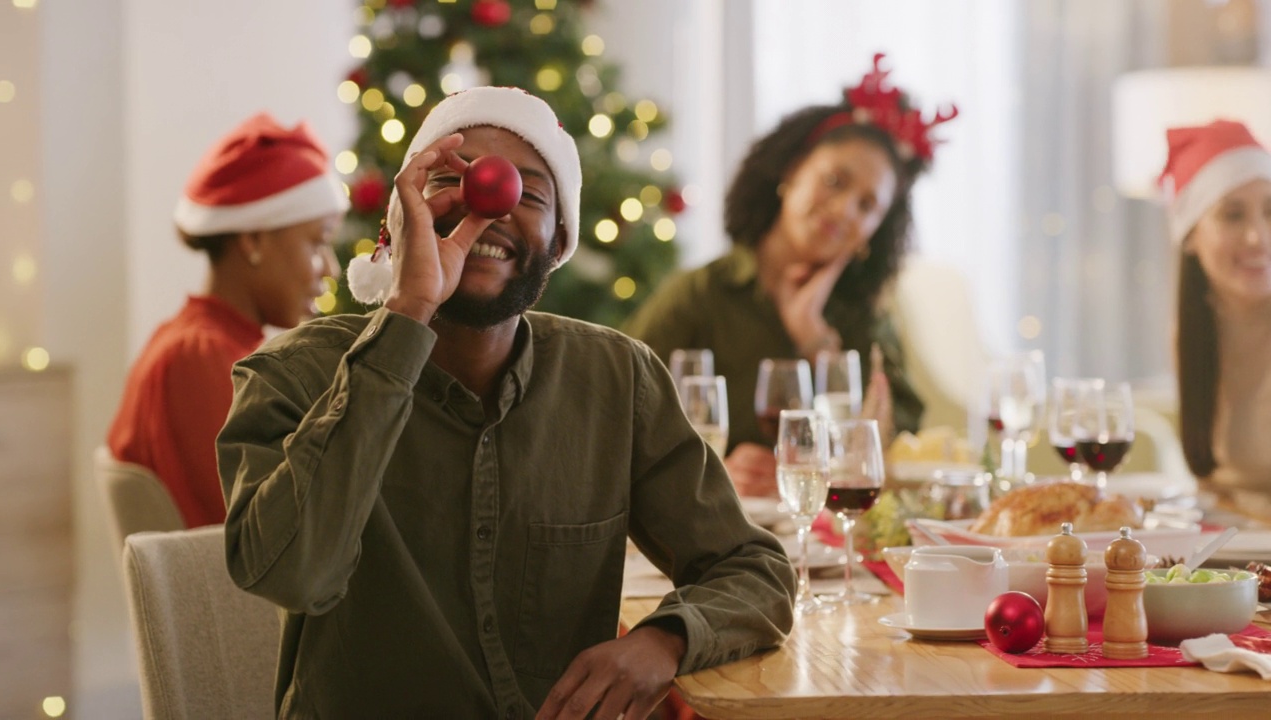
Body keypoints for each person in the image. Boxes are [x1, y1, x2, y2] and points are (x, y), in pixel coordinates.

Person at [216, 86, 795, 719]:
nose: (486, 204)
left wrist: (664, 640)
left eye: (528, 192)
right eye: (449, 181)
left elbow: (754, 568)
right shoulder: (291, 376)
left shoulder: (615, 379)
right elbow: (293, 573)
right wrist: (409, 312)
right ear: (402, 215)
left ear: (559, 236)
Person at [623, 54, 953, 496]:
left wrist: (817, 341)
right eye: (835, 181)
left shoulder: (864, 315)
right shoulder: (701, 294)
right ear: (793, 171)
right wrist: (712, 468)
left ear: (873, 232)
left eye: (867, 205)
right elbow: (617, 412)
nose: (842, 211)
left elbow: (897, 444)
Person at [107, 113, 346, 529]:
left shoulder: (203, 344)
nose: (331, 269)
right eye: (318, 241)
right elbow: (267, 535)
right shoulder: (202, 359)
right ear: (253, 240)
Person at [1160, 119, 1271, 498]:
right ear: (1190, 235)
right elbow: (1209, 483)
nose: (1258, 236)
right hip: (1227, 549)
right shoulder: (1191, 333)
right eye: (1233, 215)